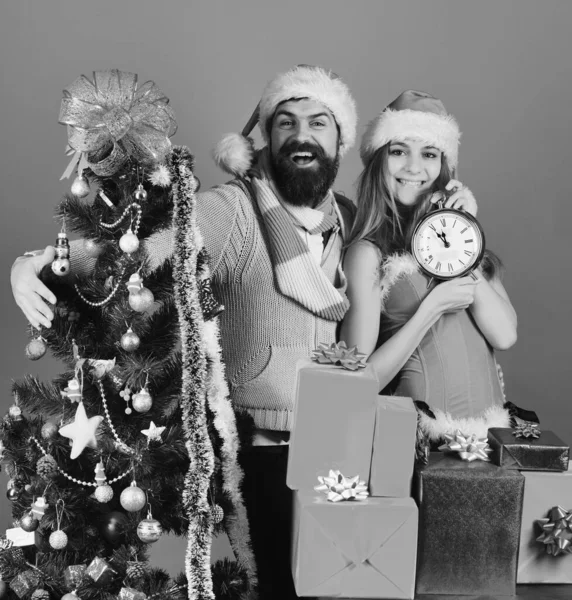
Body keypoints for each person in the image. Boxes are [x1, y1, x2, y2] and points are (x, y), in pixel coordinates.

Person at [10, 65, 358, 600]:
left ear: (341, 140)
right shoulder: (236, 211)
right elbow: (145, 253)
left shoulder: (349, 221)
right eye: (286, 122)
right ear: (266, 137)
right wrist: (36, 262)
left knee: (346, 585)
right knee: (282, 590)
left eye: (319, 123)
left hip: (341, 446)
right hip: (264, 450)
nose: (302, 135)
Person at [341, 90, 518, 441]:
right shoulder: (369, 254)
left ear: (444, 166)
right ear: (379, 160)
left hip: (487, 445)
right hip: (413, 444)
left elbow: (505, 335)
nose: (413, 167)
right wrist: (431, 308)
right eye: (398, 151)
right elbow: (356, 379)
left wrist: (456, 227)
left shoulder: (465, 243)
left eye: (429, 154)